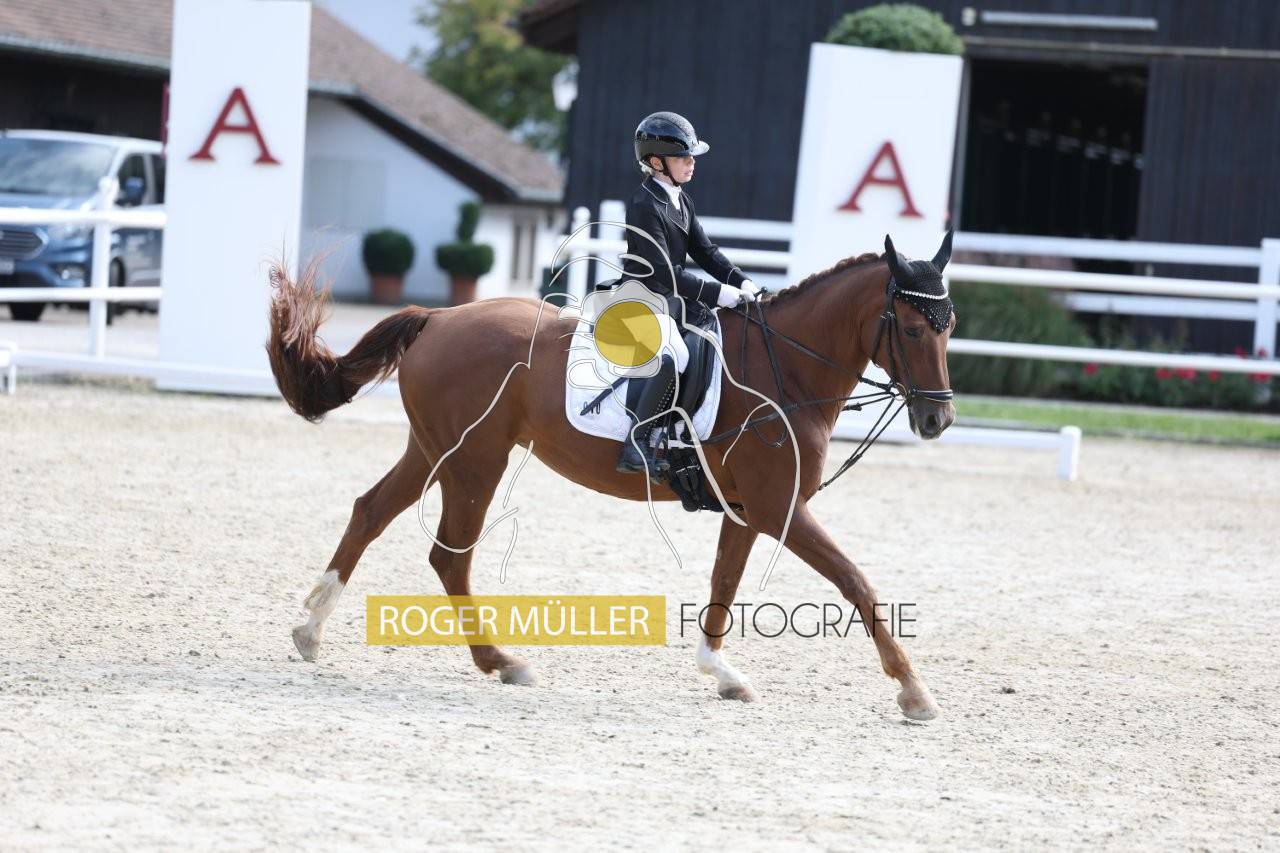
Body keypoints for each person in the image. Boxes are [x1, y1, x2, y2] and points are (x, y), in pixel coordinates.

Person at [614, 111, 762, 479]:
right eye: (683, 157)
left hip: (671, 300)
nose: (691, 162)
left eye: (691, 156)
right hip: (642, 297)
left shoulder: (681, 199)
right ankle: (637, 443)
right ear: (656, 162)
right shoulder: (644, 203)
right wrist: (718, 293)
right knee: (673, 355)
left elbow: (706, 252)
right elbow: (664, 271)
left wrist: (741, 281)